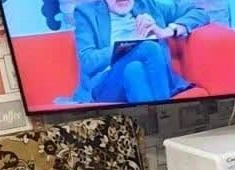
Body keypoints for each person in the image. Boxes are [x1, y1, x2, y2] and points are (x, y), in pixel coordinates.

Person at [70, 0, 209, 104]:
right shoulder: (86, 12)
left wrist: (168, 30)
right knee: (149, 47)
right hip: (107, 84)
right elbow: (88, 62)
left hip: (143, 76)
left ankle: (155, 130)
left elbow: (199, 12)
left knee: (134, 69)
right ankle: (166, 112)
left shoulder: (149, 5)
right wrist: (130, 43)